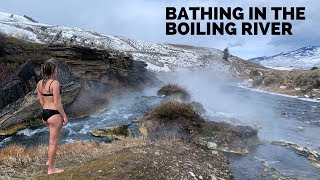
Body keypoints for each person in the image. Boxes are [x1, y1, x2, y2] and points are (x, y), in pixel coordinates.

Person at [36, 61, 68, 174]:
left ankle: (49, 162)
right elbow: (57, 102)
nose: (57, 70)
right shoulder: (55, 83)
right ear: (53, 71)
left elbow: (41, 100)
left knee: (51, 141)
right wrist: (64, 115)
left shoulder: (39, 83)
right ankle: (51, 169)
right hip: (54, 114)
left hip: (45, 113)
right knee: (53, 143)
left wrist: (46, 110)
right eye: (56, 69)